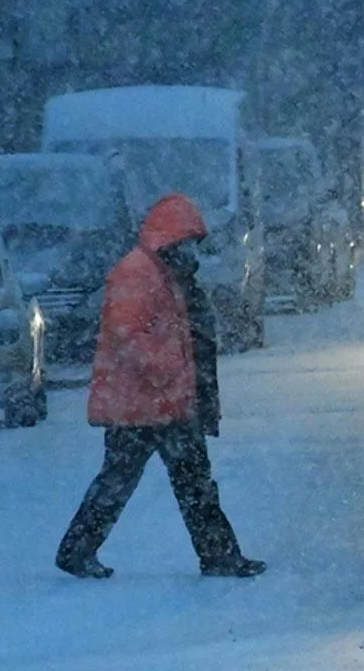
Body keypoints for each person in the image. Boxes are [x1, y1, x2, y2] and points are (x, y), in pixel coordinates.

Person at [55, 194, 265, 579]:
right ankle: (217, 556)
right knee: (171, 482)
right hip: (144, 403)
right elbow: (128, 334)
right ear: (170, 239)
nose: (193, 252)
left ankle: (79, 550)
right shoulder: (137, 274)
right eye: (188, 242)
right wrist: (169, 372)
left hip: (157, 403)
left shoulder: (163, 273)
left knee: (157, 481)